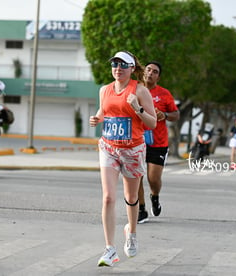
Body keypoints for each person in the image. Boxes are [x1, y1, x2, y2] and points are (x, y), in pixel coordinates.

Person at [89, 51, 156, 267]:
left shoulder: (140, 90)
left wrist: (137, 108)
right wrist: (97, 118)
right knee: (108, 197)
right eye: (114, 64)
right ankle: (110, 249)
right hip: (108, 147)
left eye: (123, 65)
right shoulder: (104, 90)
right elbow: (104, 110)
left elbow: (152, 123)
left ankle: (131, 232)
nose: (117, 68)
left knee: (131, 196)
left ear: (131, 68)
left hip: (133, 150)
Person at [137, 61, 179, 224]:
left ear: (158, 77)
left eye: (155, 72)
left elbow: (176, 114)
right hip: (138, 139)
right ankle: (141, 209)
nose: (150, 73)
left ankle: (154, 197)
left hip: (158, 143)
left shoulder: (164, 94)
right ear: (143, 72)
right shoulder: (136, 89)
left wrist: (165, 115)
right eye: (148, 70)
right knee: (138, 176)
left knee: (153, 179)